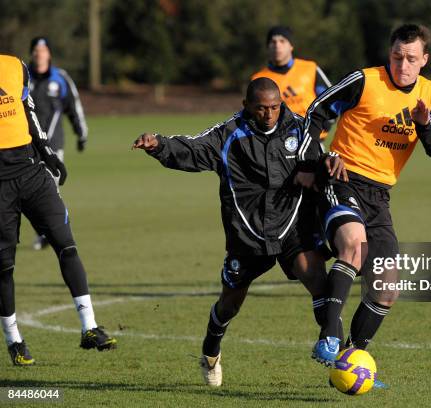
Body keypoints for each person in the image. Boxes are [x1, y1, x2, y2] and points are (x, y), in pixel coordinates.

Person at [132, 78, 346, 387]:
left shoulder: (300, 129)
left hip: (291, 226)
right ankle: (210, 351)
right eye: (261, 108)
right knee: (230, 303)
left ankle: (340, 357)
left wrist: (329, 162)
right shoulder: (229, 135)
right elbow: (194, 148)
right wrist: (160, 145)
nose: (269, 114)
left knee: (316, 279)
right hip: (247, 234)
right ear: (246, 106)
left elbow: (318, 161)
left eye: (274, 107)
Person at [294, 23, 431, 377]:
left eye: (411, 58)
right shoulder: (364, 80)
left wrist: (425, 124)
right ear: (390, 54)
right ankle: (329, 335)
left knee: (386, 289)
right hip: (341, 177)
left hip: (379, 196)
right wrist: (316, 159)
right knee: (354, 244)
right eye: (397, 56)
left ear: (424, 60)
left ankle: (351, 357)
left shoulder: (430, 94)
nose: (403, 64)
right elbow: (316, 110)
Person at [0, 54, 116, 366]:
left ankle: (89, 328)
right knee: (4, 267)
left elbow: (28, 112)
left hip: (31, 171)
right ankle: (14, 340)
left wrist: (48, 153)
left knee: (66, 243)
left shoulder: (15, 66)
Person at [28, 37, 89, 250]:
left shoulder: (60, 78)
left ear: (49, 54)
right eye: (36, 50)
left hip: (54, 145)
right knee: (31, 193)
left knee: (51, 190)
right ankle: (44, 233)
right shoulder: (24, 78)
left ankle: (57, 234)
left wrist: (81, 134)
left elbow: (74, 106)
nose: (39, 54)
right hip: (29, 147)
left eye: (43, 50)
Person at [251, 26, 333, 143]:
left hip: (312, 140)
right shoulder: (258, 79)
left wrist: (325, 124)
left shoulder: (310, 68)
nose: (277, 45)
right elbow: (253, 116)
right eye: (273, 42)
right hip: (277, 144)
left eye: (282, 41)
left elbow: (330, 99)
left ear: (291, 46)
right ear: (268, 47)